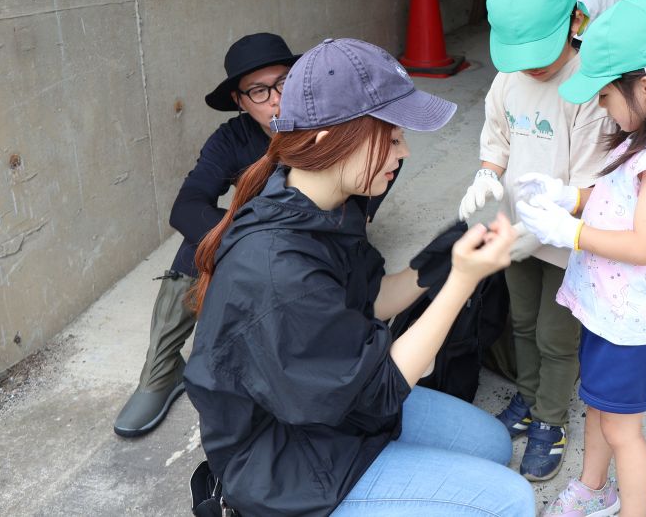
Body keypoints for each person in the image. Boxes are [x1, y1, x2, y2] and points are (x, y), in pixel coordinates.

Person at [183, 37, 534, 517]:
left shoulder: (328, 203)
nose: (403, 151)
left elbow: (370, 300)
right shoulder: (277, 270)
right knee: (511, 501)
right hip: (291, 464)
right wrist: (461, 283)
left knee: (492, 443)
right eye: (390, 138)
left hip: (333, 412)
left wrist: (443, 261)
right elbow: (382, 390)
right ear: (329, 140)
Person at [513, 0, 646, 517]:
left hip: (631, 327)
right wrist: (573, 197)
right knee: (599, 410)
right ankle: (591, 487)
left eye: (606, 94)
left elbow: (643, 244)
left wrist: (573, 232)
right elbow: (613, 196)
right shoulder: (642, 139)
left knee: (623, 431)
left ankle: (633, 511)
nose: (601, 106)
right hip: (608, 313)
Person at [457, 0, 612, 481]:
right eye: (519, 52)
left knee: (556, 335)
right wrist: (485, 175)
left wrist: (551, 218)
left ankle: (550, 419)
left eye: (539, 49)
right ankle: (528, 397)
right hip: (518, 232)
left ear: (576, 19)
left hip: (567, 238)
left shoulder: (588, 89)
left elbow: (593, 187)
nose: (531, 63)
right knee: (521, 320)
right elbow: (497, 136)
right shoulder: (508, 80)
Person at [114, 33, 300, 437]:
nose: (276, 99)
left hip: (318, 240)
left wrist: (363, 214)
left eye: (284, 82)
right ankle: (161, 372)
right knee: (200, 237)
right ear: (239, 100)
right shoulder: (232, 139)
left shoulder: (328, 119)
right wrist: (246, 234)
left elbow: (382, 153)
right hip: (262, 241)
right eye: (259, 90)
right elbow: (186, 207)